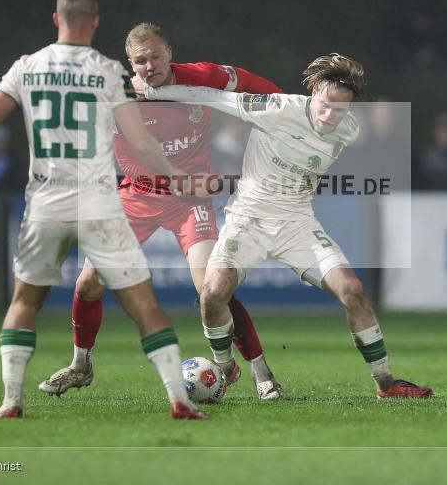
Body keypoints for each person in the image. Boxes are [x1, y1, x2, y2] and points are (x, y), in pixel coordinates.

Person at [0, 0, 208, 420]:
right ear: (94, 23)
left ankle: (11, 401)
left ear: (56, 20)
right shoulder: (108, 72)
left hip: (45, 199)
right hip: (96, 200)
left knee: (24, 301)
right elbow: (141, 141)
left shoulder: (28, 66)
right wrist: (177, 178)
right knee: (142, 302)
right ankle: (178, 399)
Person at [143, 53, 433, 400]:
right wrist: (154, 91)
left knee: (353, 291)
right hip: (247, 218)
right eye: (324, 106)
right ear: (313, 93)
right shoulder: (277, 108)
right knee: (212, 294)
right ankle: (225, 366)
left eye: (339, 110)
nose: (329, 116)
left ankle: (387, 385)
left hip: (296, 221)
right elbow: (216, 96)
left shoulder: (349, 128)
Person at [38, 23, 285, 401]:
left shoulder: (201, 78)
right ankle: (80, 365)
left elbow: (250, 82)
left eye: (155, 56)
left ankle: (262, 374)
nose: (150, 65)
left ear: (169, 51)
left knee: (211, 289)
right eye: (141, 60)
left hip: (188, 199)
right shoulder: (114, 92)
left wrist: (283, 106)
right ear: (130, 63)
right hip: (136, 196)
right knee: (88, 284)